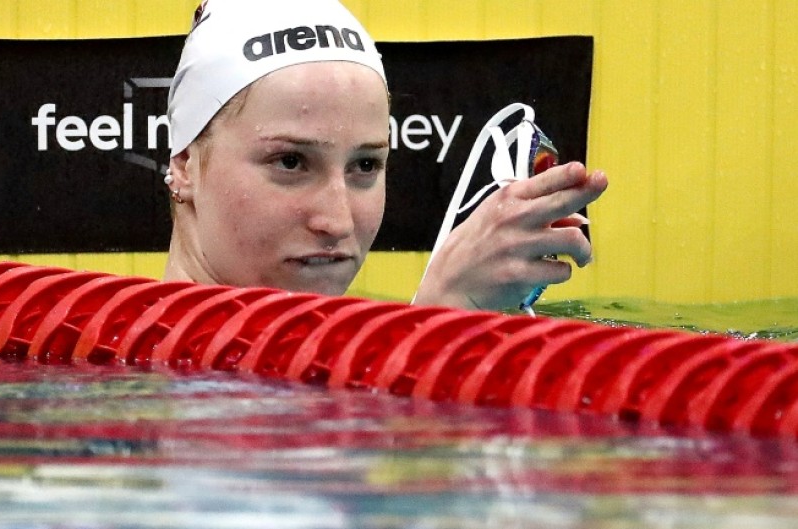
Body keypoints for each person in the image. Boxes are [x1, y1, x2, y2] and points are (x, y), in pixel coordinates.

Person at [162, 0, 607, 311]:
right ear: (184, 165)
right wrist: (441, 316)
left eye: (365, 165)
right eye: (291, 162)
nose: (337, 222)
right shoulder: (102, 363)